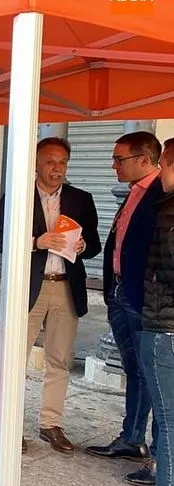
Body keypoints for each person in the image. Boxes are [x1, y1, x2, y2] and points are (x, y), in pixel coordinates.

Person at [0, 136, 101, 454]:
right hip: (29, 287)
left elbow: (93, 243)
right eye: (51, 162)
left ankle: (50, 424)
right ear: (37, 163)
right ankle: (9, 424)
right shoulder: (18, 195)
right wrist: (36, 242)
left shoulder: (82, 199)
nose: (57, 168)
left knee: (60, 359)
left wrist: (83, 246)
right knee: (15, 358)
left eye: (63, 162)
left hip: (66, 285)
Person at [86, 132, 163, 485]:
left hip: (143, 301)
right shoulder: (134, 192)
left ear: (145, 159)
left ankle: (162, 459)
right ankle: (133, 439)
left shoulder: (162, 194)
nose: (113, 165)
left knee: (156, 378)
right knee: (134, 370)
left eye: (120, 159)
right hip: (119, 294)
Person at [141, 138, 174, 486]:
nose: (160, 171)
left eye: (164, 164)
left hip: (165, 327)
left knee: (168, 421)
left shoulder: (169, 211)